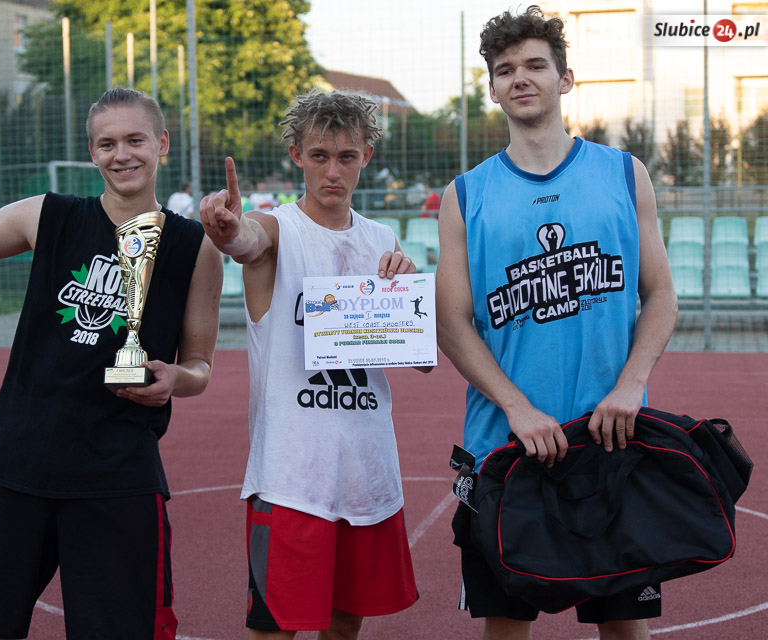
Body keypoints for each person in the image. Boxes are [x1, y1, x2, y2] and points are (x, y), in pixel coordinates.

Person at [0, 88, 223, 640]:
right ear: (91, 153)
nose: (121, 154)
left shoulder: (194, 246)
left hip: (118, 470)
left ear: (162, 143)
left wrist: (178, 378)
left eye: (135, 140)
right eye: (107, 144)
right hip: (19, 461)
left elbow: (200, 365)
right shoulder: (48, 215)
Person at [435, 6, 677, 640]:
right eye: (504, 69)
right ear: (492, 88)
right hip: (505, 446)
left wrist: (630, 385)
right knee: (506, 628)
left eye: (535, 65)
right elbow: (452, 323)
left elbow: (660, 295)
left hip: (610, 437)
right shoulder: (466, 194)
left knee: (624, 627)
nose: (520, 78)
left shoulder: (624, 173)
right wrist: (516, 407)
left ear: (565, 78)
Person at [200, 89, 427, 640]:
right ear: (296, 155)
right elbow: (248, 240)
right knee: (275, 629)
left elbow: (419, 358)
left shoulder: (382, 239)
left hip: (366, 468)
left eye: (346, 157)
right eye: (320, 155)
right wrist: (230, 231)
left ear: (366, 156)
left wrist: (409, 299)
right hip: (292, 475)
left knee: (345, 624)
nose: (333, 171)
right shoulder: (279, 229)